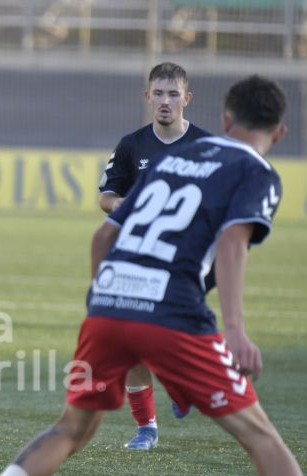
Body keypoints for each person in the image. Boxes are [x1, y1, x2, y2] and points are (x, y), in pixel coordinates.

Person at [0, 75, 307, 476]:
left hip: (109, 304)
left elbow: (104, 234)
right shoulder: (256, 172)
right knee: (260, 436)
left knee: (70, 430)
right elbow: (231, 244)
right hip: (173, 311)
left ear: (225, 120)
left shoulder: (175, 157)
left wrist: (102, 304)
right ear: (280, 133)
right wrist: (237, 332)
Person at [99, 62, 211, 450]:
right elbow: (106, 195)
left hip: (185, 263)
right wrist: (128, 206)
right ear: (148, 97)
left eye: (173, 94)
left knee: (169, 339)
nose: (165, 101)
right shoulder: (132, 145)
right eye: (159, 94)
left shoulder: (207, 148)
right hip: (138, 258)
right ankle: (146, 427)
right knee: (132, 344)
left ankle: (182, 383)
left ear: (187, 98)